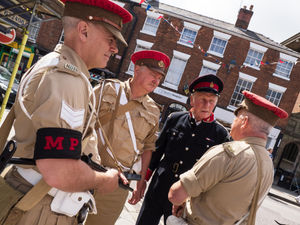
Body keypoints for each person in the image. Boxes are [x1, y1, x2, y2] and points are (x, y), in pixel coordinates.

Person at [1, 0, 133, 224]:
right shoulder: (66, 79)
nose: (114, 49)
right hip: (38, 207)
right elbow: (58, 170)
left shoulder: (56, 65)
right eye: (110, 40)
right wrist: (103, 180)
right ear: (83, 30)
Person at [168, 90, 288, 225]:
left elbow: (175, 194)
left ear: (244, 121)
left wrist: (182, 202)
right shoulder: (268, 164)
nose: (233, 123)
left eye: (236, 117)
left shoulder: (229, 154)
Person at [85, 50, 170, 225]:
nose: (156, 81)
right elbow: (81, 121)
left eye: (160, 78)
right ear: (137, 69)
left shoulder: (153, 111)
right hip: (86, 170)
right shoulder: (106, 89)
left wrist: (140, 182)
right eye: (153, 74)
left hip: (117, 183)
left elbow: (148, 148)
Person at [136, 74, 231, 225]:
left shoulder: (220, 134)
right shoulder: (175, 118)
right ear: (192, 100)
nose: (207, 105)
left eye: (212, 101)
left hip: (186, 197)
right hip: (159, 187)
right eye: (203, 100)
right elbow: (156, 152)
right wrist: (142, 180)